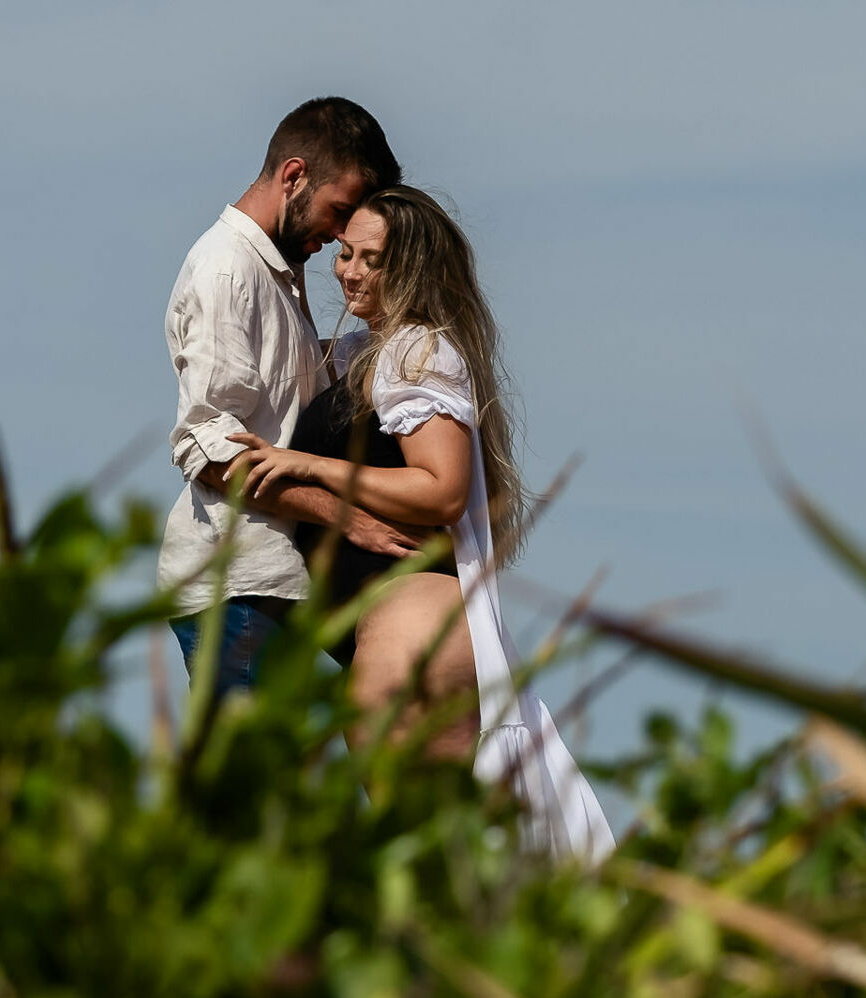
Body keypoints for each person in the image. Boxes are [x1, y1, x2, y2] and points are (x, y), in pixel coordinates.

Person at [228, 186, 616, 863]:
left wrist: (309, 469)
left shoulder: (416, 355)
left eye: (372, 260)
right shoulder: (367, 354)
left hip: (412, 638)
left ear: (410, 270)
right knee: (439, 865)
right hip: (402, 638)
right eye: (346, 254)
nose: (350, 272)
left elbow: (441, 489)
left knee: (433, 868)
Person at [157, 97, 413, 698]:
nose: (339, 233)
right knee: (243, 782)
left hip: (280, 580)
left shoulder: (276, 270)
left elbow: (299, 394)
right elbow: (209, 449)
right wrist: (345, 516)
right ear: (294, 176)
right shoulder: (227, 269)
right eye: (339, 210)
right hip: (237, 580)